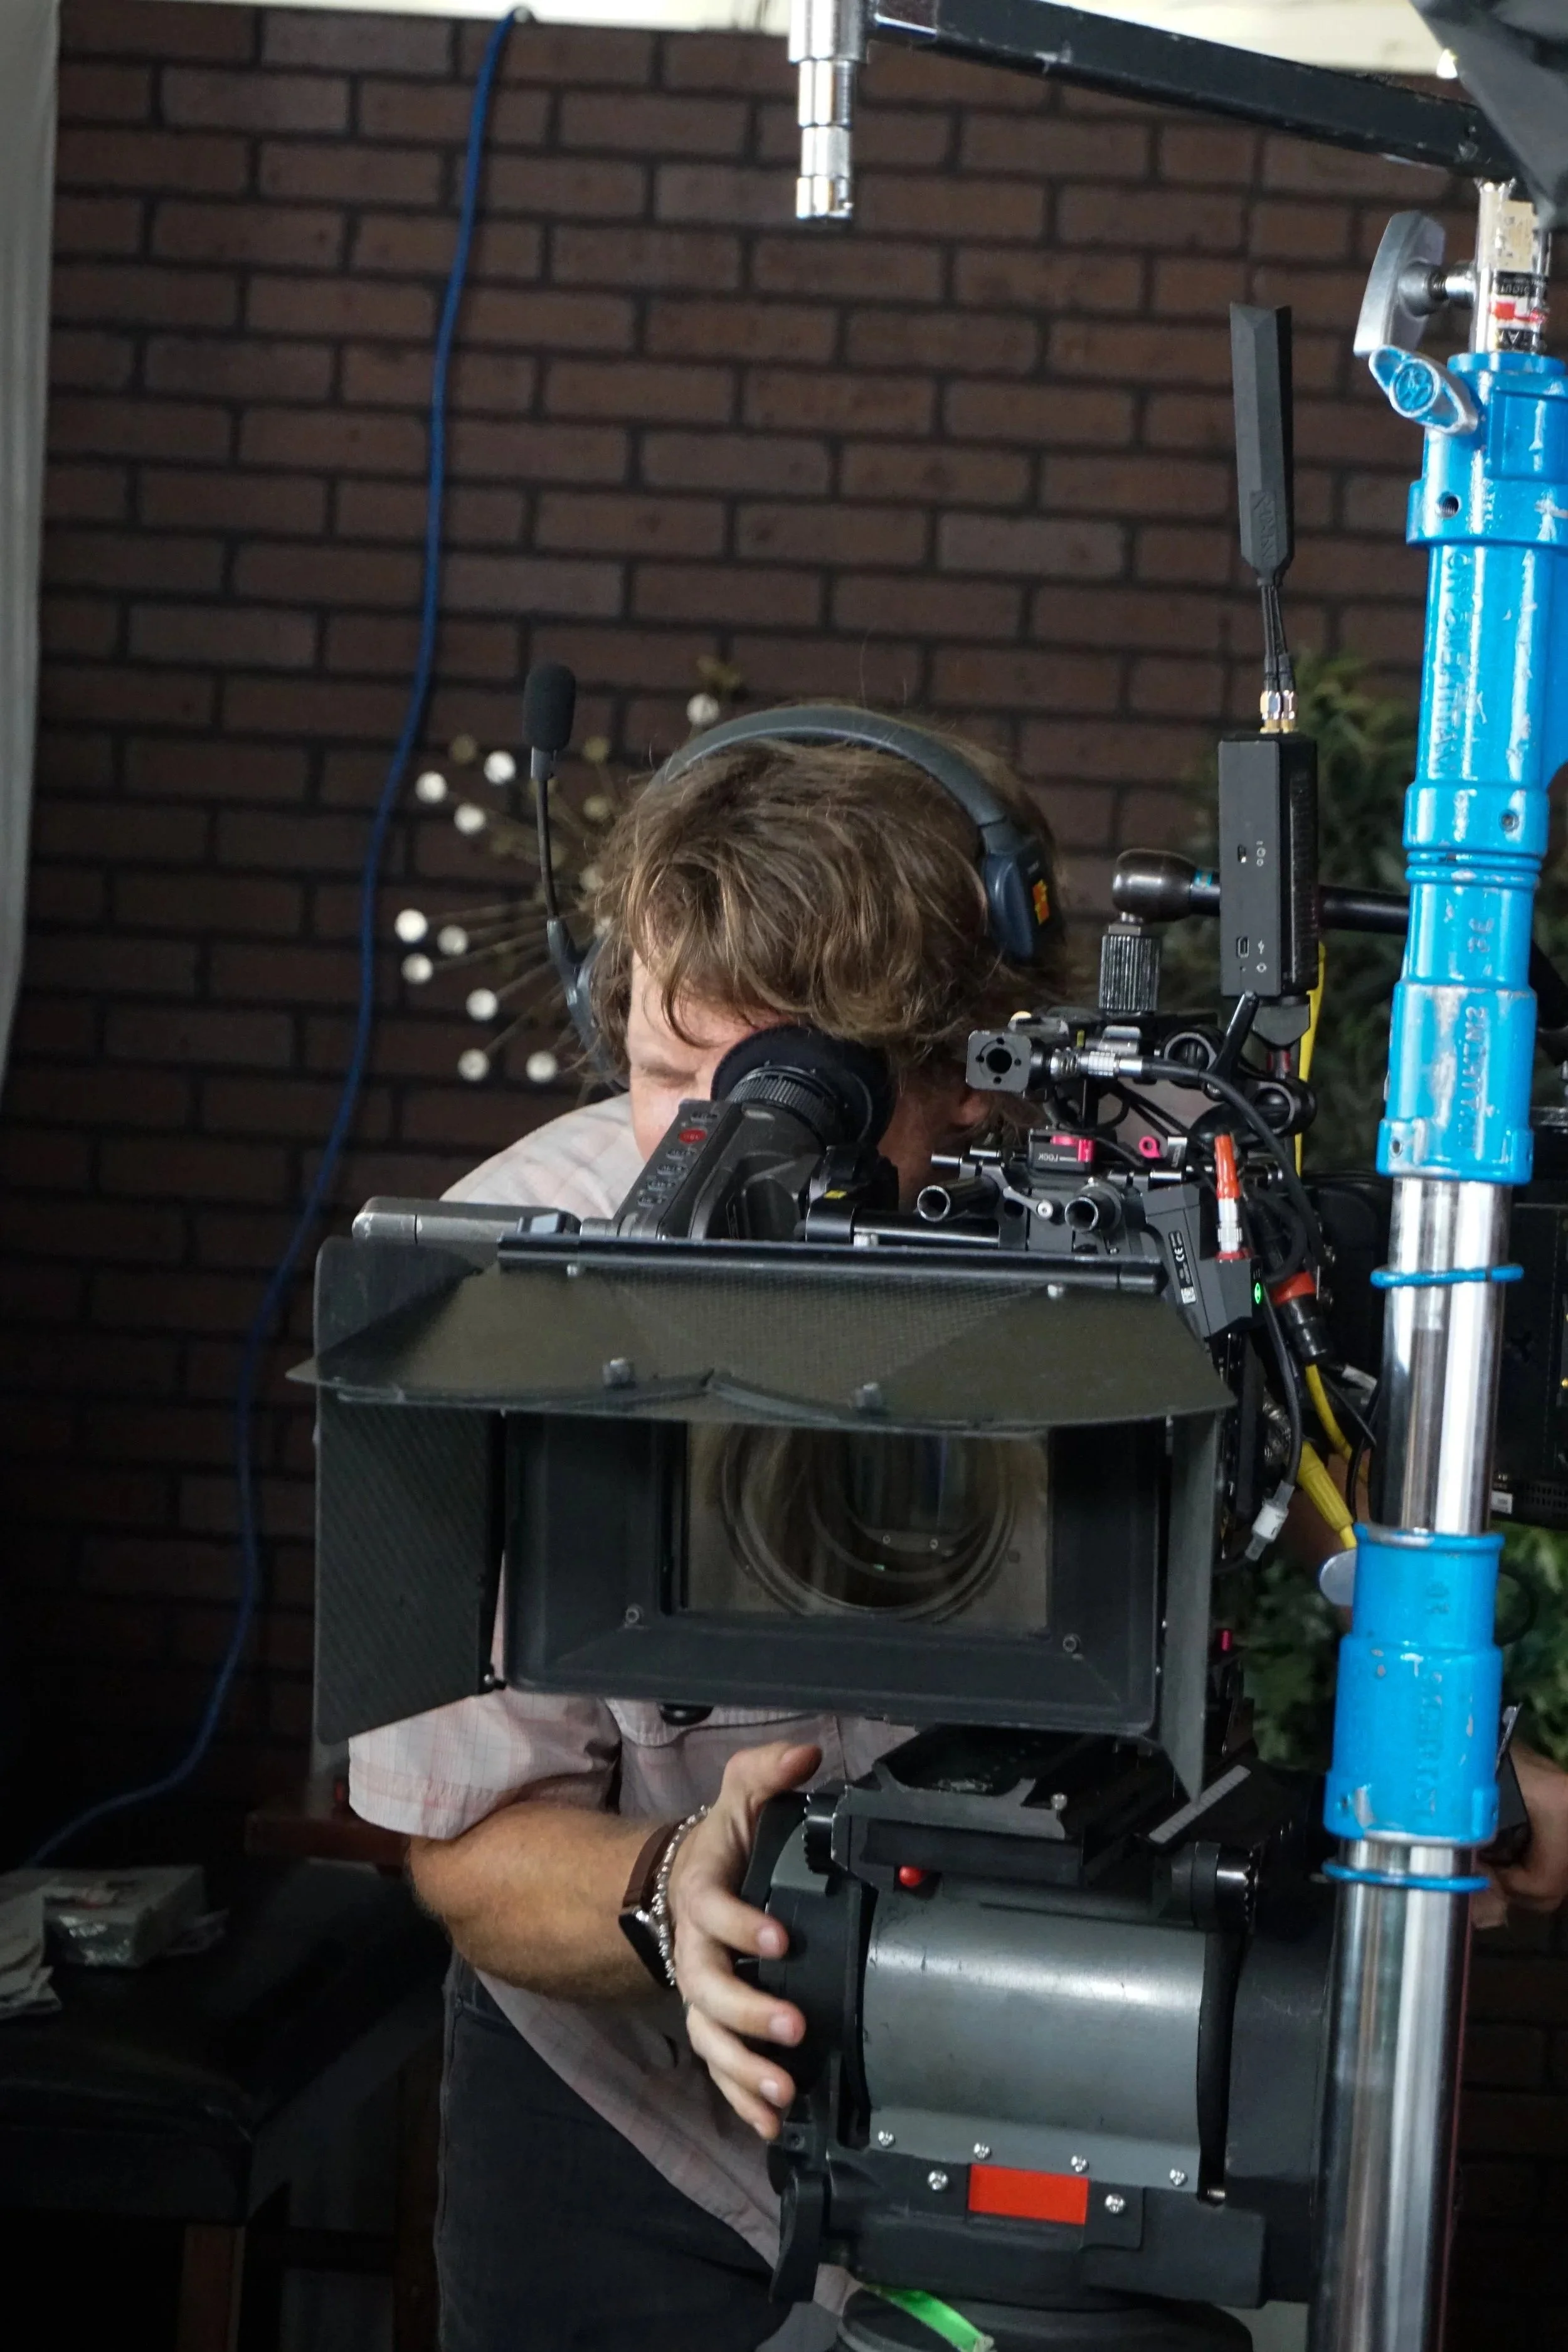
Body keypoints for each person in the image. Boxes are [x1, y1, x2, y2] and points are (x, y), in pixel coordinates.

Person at [349, 721, 1072, 2352]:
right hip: (626, 2139)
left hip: (1034, 2117)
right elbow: (465, 1850)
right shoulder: (482, 1296)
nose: (702, 1154)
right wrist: (676, 1891)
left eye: (781, 1093)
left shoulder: (1138, 1218)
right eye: (670, 1073)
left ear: (966, 1071)